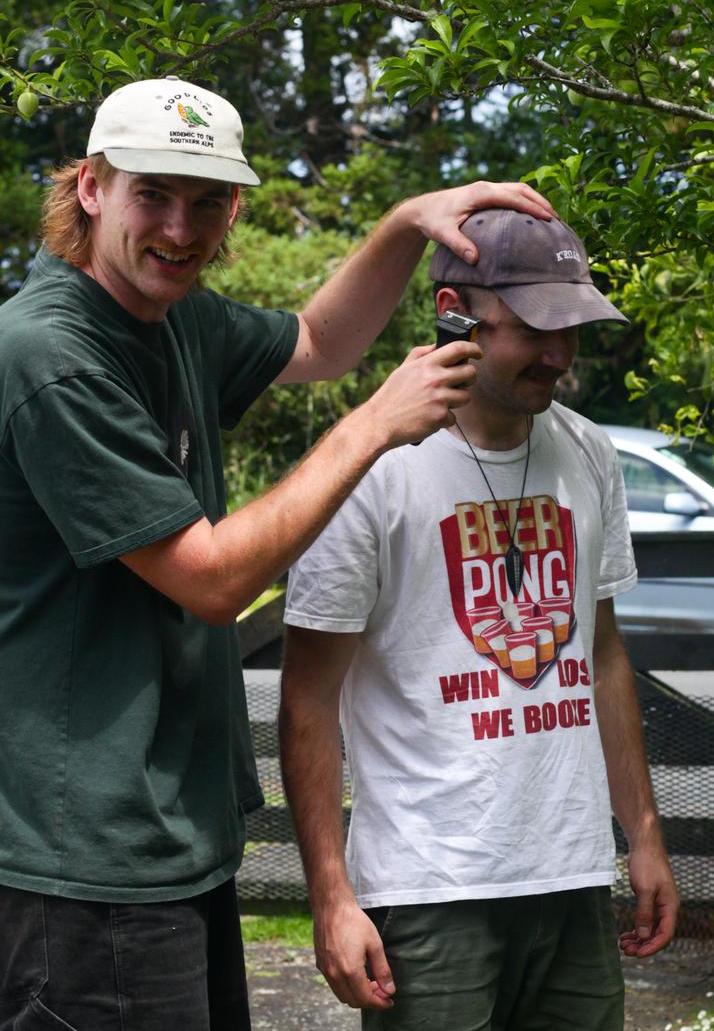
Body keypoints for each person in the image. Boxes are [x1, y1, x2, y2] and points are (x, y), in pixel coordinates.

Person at [0, 76, 555, 1031]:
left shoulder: (175, 320)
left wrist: (402, 223)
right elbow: (211, 579)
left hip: (171, 836)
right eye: (153, 195)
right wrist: (370, 428)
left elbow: (319, 341)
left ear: (236, 207)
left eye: (208, 201)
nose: (180, 228)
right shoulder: (49, 353)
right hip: (81, 861)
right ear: (90, 187)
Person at [280, 207, 680, 1030]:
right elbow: (309, 698)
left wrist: (642, 835)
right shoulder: (371, 466)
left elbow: (601, 655)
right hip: (430, 888)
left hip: (571, 874)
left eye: (571, 327)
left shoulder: (586, 449)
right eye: (534, 327)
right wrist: (330, 896)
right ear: (452, 309)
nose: (559, 355)